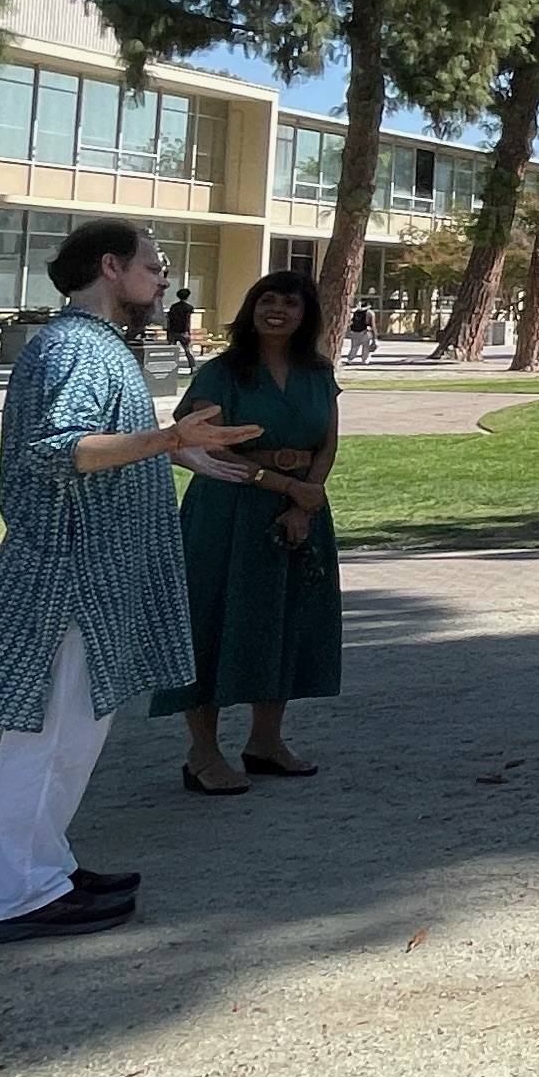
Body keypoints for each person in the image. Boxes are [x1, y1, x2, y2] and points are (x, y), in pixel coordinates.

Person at [0, 222, 256, 944]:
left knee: (75, 734)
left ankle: (45, 867)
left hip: (93, 571)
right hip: (67, 573)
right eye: (153, 268)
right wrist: (170, 440)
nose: (162, 282)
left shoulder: (95, 347)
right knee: (49, 736)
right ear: (110, 266)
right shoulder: (71, 349)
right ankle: (18, 896)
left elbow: (100, 443)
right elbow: (60, 450)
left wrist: (174, 457)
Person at [157, 270, 342, 796]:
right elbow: (204, 447)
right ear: (251, 307)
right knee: (211, 622)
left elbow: (325, 443)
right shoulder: (222, 372)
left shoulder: (318, 371)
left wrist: (305, 499)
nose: (276, 309)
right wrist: (279, 482)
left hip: (299, 505)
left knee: (285, 617)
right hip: (228, 507)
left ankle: (266, 742)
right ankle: (202, 752)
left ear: (307, 314)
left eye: (290, 302)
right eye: (266, 299)